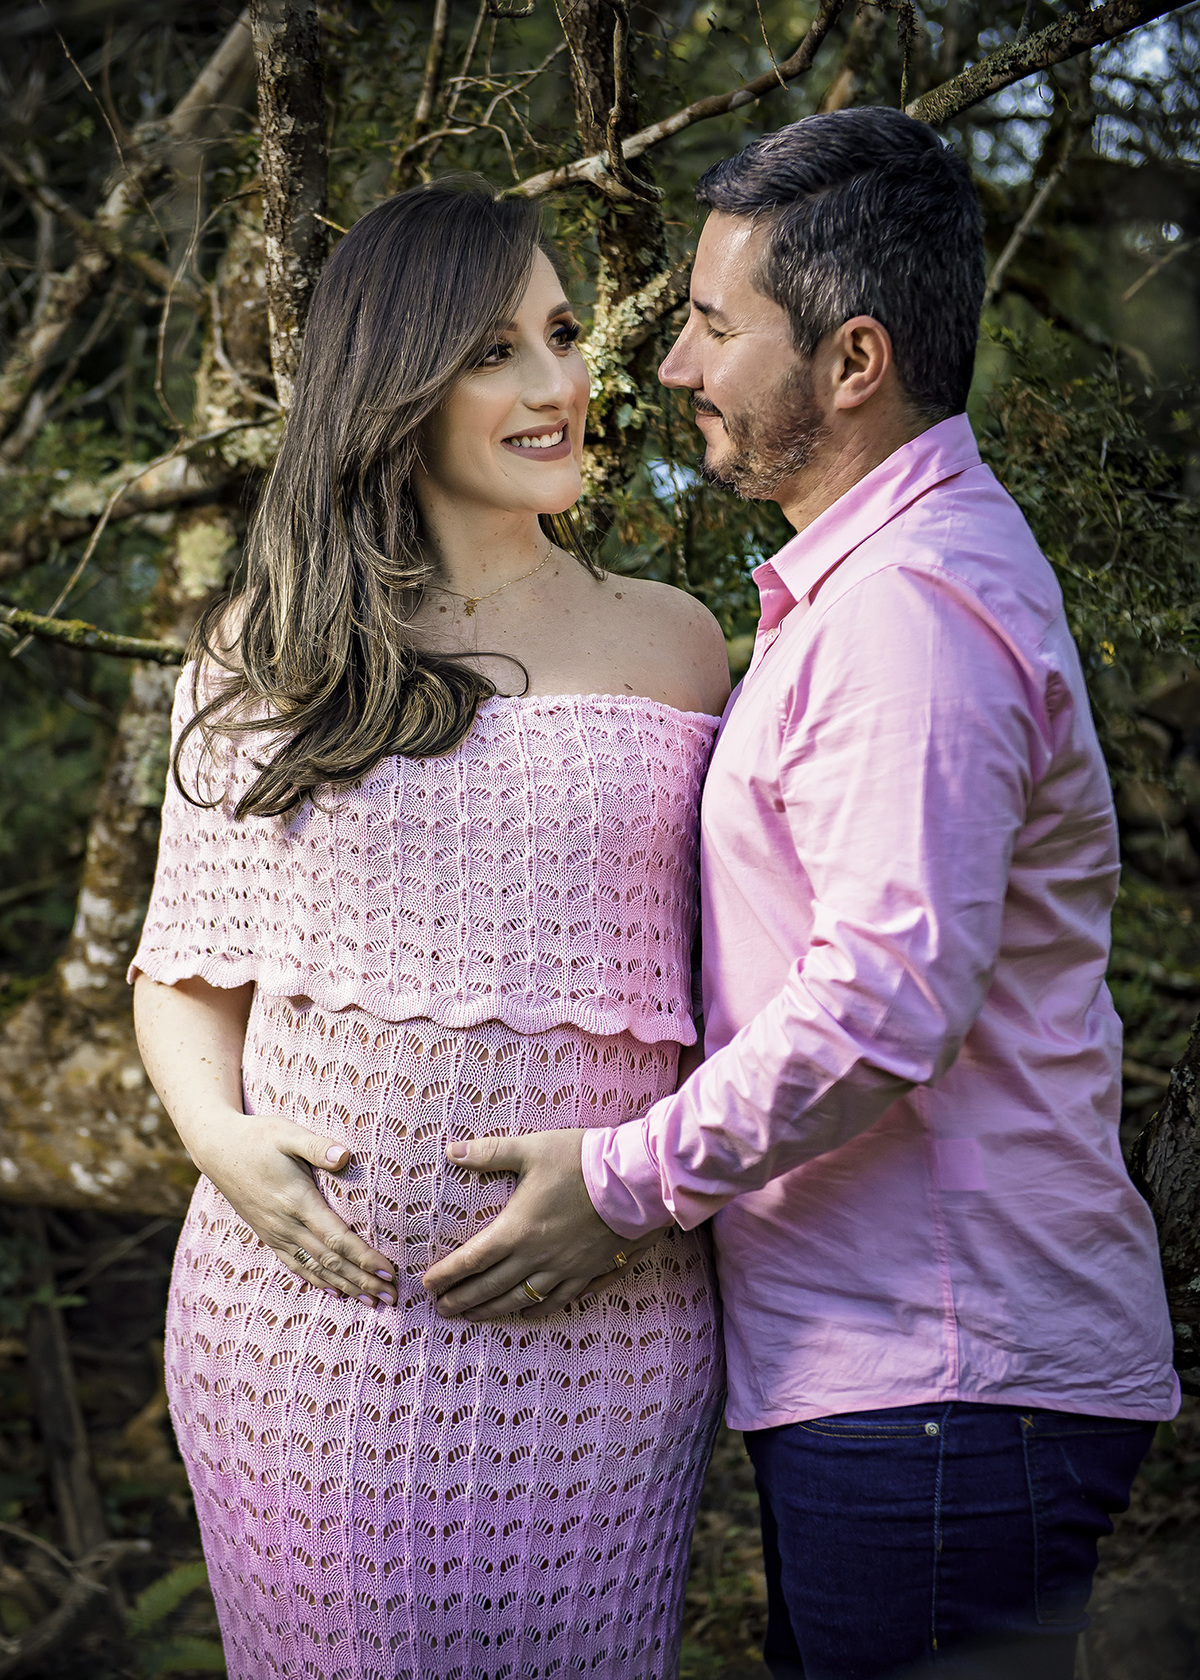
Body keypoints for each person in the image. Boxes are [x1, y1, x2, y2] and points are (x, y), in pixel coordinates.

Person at [422, 110, 1181, 1678]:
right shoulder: (872, 589)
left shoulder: (910, 612)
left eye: (715, 325)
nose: (674, 367)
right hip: (905, 1378)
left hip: (944, 1379)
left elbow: (886, 1003)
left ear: (852, 361)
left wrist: (620, 1185)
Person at [130, 180, 730, 1680]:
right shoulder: (270, 648)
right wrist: (219, 1140)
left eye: (563, 334)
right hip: (298, 1339)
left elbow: (750, 990)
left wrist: (639, 1193)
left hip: (603, 1342)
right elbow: (184, 969)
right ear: (395, 384)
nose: (556, 383)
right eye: (494, 351)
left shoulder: (676, 642)